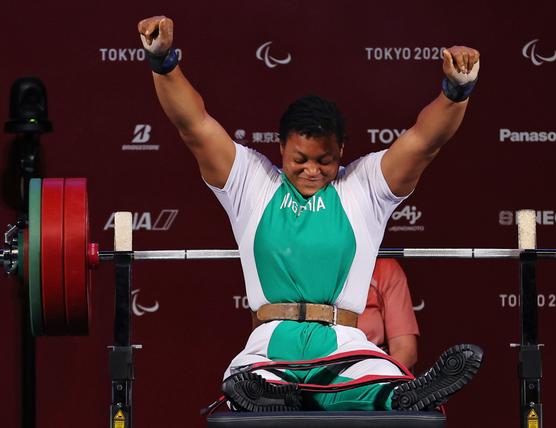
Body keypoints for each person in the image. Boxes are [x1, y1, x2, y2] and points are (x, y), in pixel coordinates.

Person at [137, 15, 483, 412]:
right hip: (270, 345)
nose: (312, 171)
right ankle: (277, 393)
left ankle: (398, 394)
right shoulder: (251, 182)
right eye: (300, 159)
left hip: (344, 345)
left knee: (381, 382)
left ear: (342, 152)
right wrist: (163, 62)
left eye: (325, 160)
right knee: (246, 385)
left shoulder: (364, 186)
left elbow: (424, 142)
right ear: (281, 147)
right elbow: (194, 126)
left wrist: (456, 91)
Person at [358, 259, 419, 370]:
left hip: (374, 370)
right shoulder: (324, 268)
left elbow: (405, 348)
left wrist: (375, 376)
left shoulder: (383, 266)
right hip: (326, 368)